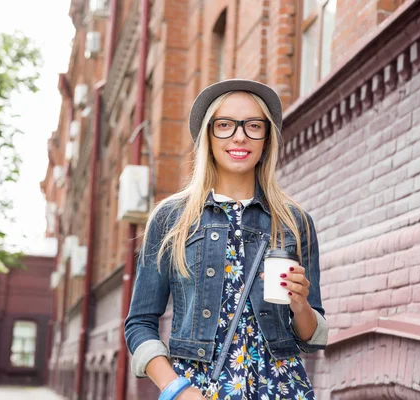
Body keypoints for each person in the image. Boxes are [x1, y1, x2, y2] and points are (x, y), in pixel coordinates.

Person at [124, 79, 328, 400]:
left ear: (266, 139)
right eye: (225, 125)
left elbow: (312, 337)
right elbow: (139, 323)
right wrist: (175, 389)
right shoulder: (172, 218)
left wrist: (300, 304)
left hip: (280, 387)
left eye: (253, 126)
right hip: (200, 389)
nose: (240, 135)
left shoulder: (294, 221)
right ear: (208, 135)